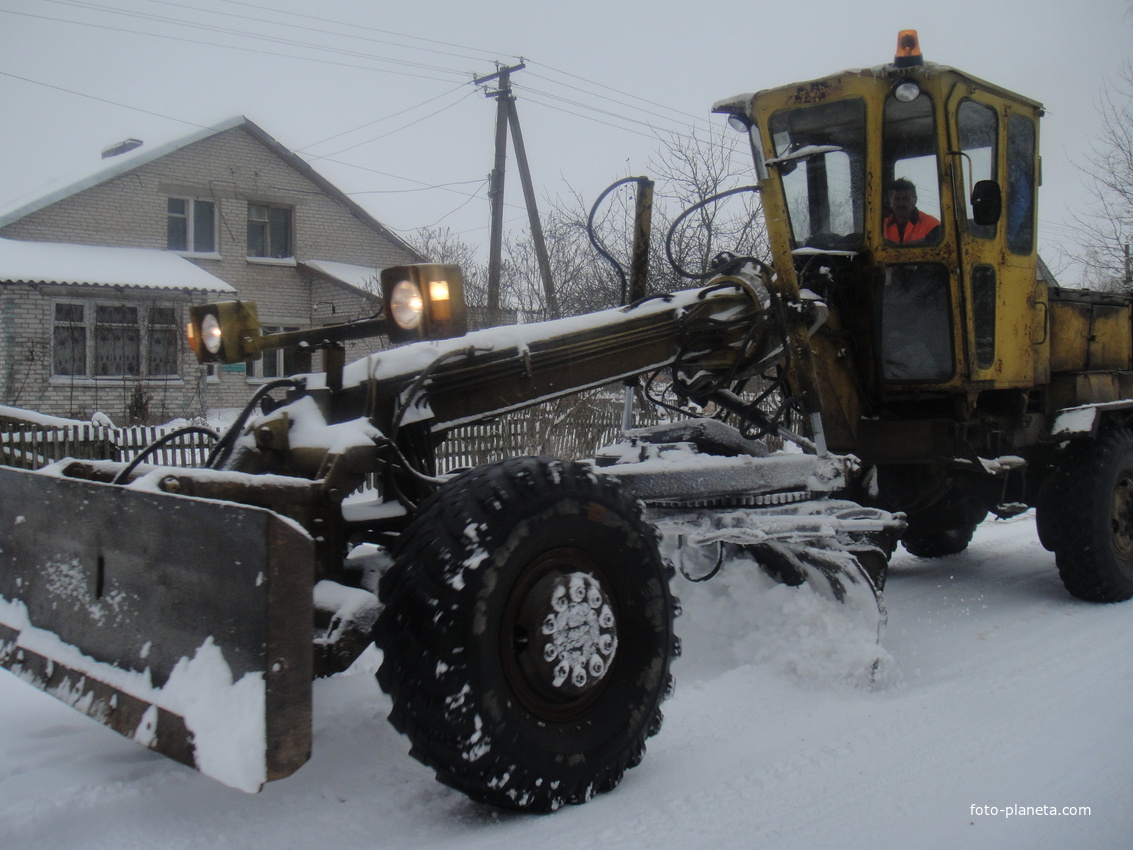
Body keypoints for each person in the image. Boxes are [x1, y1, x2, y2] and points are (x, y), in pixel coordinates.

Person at [884, 178, 941, 244]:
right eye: (897, 199)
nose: (901, 203)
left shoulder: (933, 226)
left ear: (915, 199)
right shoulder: (881, 227)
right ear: (890, 200)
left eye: (905, 198)